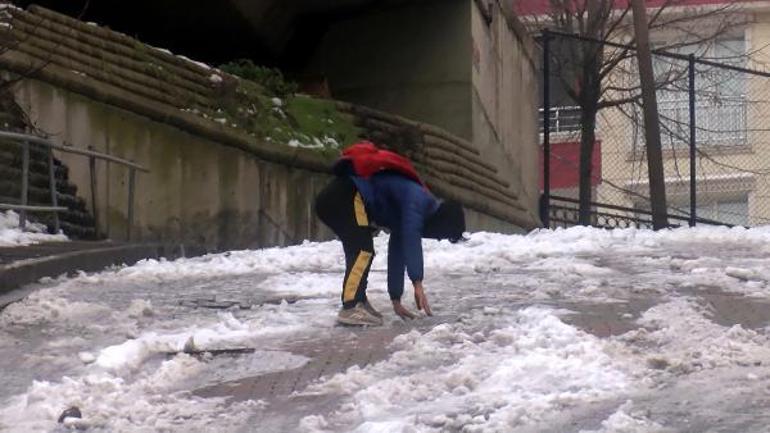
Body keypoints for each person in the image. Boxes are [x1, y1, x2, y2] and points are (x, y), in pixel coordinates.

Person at [314, 141, 465, 326]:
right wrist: (417, 282)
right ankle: (351, 306)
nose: (438, 238)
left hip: (341, 197)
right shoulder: (419, 200)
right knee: (363, 250)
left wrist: (396, 298)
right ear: (443, 223)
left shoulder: (416, 207)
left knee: (360, 249)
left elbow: (398, 249)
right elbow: (411, 237)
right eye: (443, 235)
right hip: (347, 195)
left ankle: (358, 300)